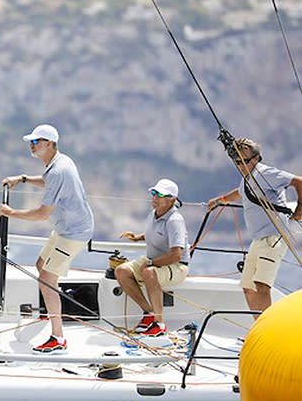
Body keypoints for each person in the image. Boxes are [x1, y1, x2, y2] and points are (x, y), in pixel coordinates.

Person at [0, 124, 94, 354]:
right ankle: (52, 315)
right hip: (66, 228)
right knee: (42, 266)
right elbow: (47, 181)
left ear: (49, 143)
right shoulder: (59, 163)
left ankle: (58, 338)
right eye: (30, 141)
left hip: (73, 233)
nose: (31, 145)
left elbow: (42, 214)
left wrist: (11, 213)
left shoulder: (58, 170)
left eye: (36, 141)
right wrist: (22, 179)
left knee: (46, 278)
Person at [207, 137, 302, 320]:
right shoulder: (248, 179)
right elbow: (239, 193)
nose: (241, 165)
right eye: (238, 162)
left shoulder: (265, 173)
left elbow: (299, 182)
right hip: (258, 240)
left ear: (257, 158)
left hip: (273, 238)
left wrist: (299, 209)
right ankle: (258, 327)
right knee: (248, 287)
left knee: (261, 284)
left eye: (245, 161)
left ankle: (268, 332)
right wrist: (220, 200)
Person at [115, 179, 190, 336]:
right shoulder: (153, 214)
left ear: (172, 200)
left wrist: (150, 263)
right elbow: (155, 234)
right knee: (121, 271)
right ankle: (149, 313)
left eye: (160, 195)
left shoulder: (175, 220)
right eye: (154, 193)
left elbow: (176, 255)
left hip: (177, 266)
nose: (155, 197)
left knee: (149, 272)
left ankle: (159, 324)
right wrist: (138, 237)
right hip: (154, 262)